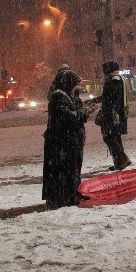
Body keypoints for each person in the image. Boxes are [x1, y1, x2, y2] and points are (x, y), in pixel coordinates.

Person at [43, 70, 95, 209]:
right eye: (74, 84)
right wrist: (81, 113)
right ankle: (65, 196)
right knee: (65, 169)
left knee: (73, 167)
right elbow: (66, 117)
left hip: (69, 139)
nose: (76, 87)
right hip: (61, 140)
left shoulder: (67, 96)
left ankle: (73, 193)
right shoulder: (58, 96)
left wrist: (85, 112)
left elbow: (74, 115)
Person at [95, 61, 131, 170]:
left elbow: (111, 98)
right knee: (115, 137)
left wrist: (111, 112)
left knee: (109, 137)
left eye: (105, 69)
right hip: (117, 113)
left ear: (109, 69)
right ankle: (119, 162)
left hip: (112, 114)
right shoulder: (119, 78)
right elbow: (109, 97)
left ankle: (122, 159)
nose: (103, 71)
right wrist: (94, 100)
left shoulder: (113, 79)